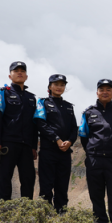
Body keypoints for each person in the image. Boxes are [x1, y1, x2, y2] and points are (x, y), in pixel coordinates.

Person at [78, 79, 112, 223]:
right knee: (96, 195)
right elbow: (83, 137)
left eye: (108, 89)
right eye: (102, 89)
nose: (105, 92)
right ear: (97, 92)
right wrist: (92, 151)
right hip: (94, 160)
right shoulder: (88, 113)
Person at [0, 61, 38, 200]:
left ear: (26, 76)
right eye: (16, 70)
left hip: (26, 146)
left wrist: (34, 146)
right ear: (10, 76)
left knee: (28, 179)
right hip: (8, 143)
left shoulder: (31, 98)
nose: (19, 72)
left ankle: (26, 211)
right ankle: (4, 210)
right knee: (5, 177)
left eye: (22, 70)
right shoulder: (3, 93)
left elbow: (34, 124)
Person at [33, 74, 77, 213]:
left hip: (65, 153)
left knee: (62, 188)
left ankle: (61, 219)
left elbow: (74, 128)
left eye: (62, 85)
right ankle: (45, 217)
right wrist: (57, 139)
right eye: (56, 84)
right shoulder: (42, 103)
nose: (59, 87)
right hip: (48, 151)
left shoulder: (69, 107)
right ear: (50, 87)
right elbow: (41, 124)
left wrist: (69, 141)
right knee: (46, 187)